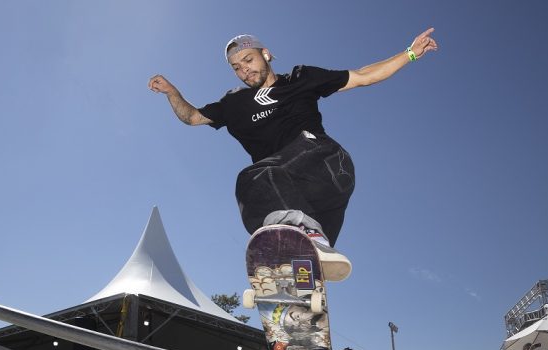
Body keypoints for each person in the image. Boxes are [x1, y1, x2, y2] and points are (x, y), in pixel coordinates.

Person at [148, 29, 439, 274]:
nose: (244, 69)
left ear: (266, 54)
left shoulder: (300, 78)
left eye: (248, 60)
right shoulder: (233, 104)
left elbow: (362, 75)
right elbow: (193, 118)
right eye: (236, 67)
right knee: (299, 271)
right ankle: (301, 314)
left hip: (326, 167)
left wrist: (410, 53)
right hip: (296, 200)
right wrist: (172, 92)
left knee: (255, 177)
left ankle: (304, 236)